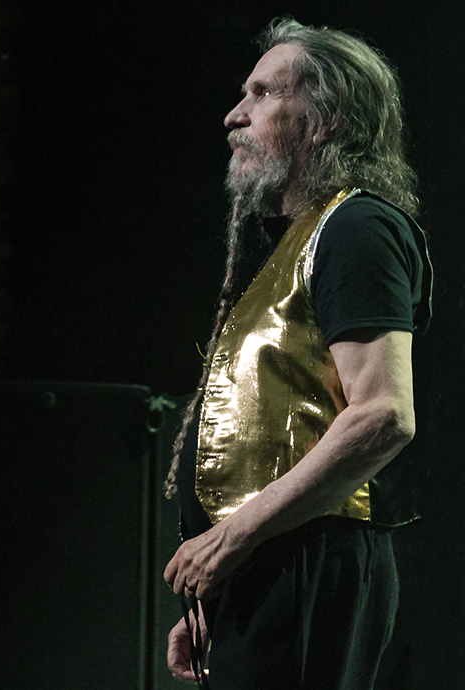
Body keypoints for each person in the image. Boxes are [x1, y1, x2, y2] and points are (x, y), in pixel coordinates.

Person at [163, 16, 432, 690]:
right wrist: (222, 592)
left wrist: (233, 538)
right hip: (268, 568)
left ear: (326, 119)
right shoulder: (303, 236)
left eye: (262, 94)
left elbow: (384, 415)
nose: (234, 115)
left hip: (307, 560)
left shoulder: (357, 226)